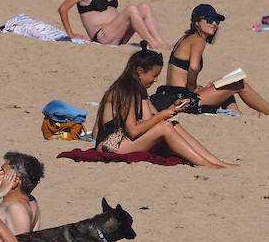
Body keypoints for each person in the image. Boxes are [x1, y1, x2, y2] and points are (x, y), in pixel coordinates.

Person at [93, 48, 234, 168]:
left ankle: (214, 161)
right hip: (111, 145)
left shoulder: (140, 90)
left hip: (124, 140)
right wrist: (164, 114)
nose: (156, 80)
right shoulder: (125, 91)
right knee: (165, 126)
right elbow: (134, 130)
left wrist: (172, 108)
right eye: (154, 75)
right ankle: (206, 165)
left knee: (173, 123)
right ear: (140, 71)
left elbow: (150, 119)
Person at [163, 3, 269, 115]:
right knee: (239, 83)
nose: (214, 23)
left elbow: (182, 73)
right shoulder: (198, 40)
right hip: (182, 99)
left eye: (217, 20)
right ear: (197, 22)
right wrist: (192, 89)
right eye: (209, 19)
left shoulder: (186, 39)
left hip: (173, 95)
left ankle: (238, 117)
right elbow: (193, 67)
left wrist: (197, 87)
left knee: (226, 86)